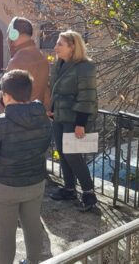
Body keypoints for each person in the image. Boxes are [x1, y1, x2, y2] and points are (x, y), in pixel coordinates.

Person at [0, 69, 52, 264]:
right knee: (33, 227)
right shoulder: (44, 118)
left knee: (5, 235)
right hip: (36, 182)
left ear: (6, 95)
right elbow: (44, 146)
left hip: (5, 187)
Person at [48, 30, 98, 212]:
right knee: (62, 152)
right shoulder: (60, 63)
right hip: (59, 116)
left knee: (73, 155)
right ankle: (69, 189)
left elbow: (87, 97)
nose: (55, 47)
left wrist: (80, 124)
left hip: (75, 118)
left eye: (60, 44)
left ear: (72, 47)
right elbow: (55, 88)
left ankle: (89, 193)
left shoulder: (85, 67)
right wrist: (52, 109)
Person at [5, 17, 50, 110]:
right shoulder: (42, 57)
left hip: (19, 119)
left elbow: (7, 98)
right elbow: (46, 91)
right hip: (38, 116)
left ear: (13, 34)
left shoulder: (18, 60)